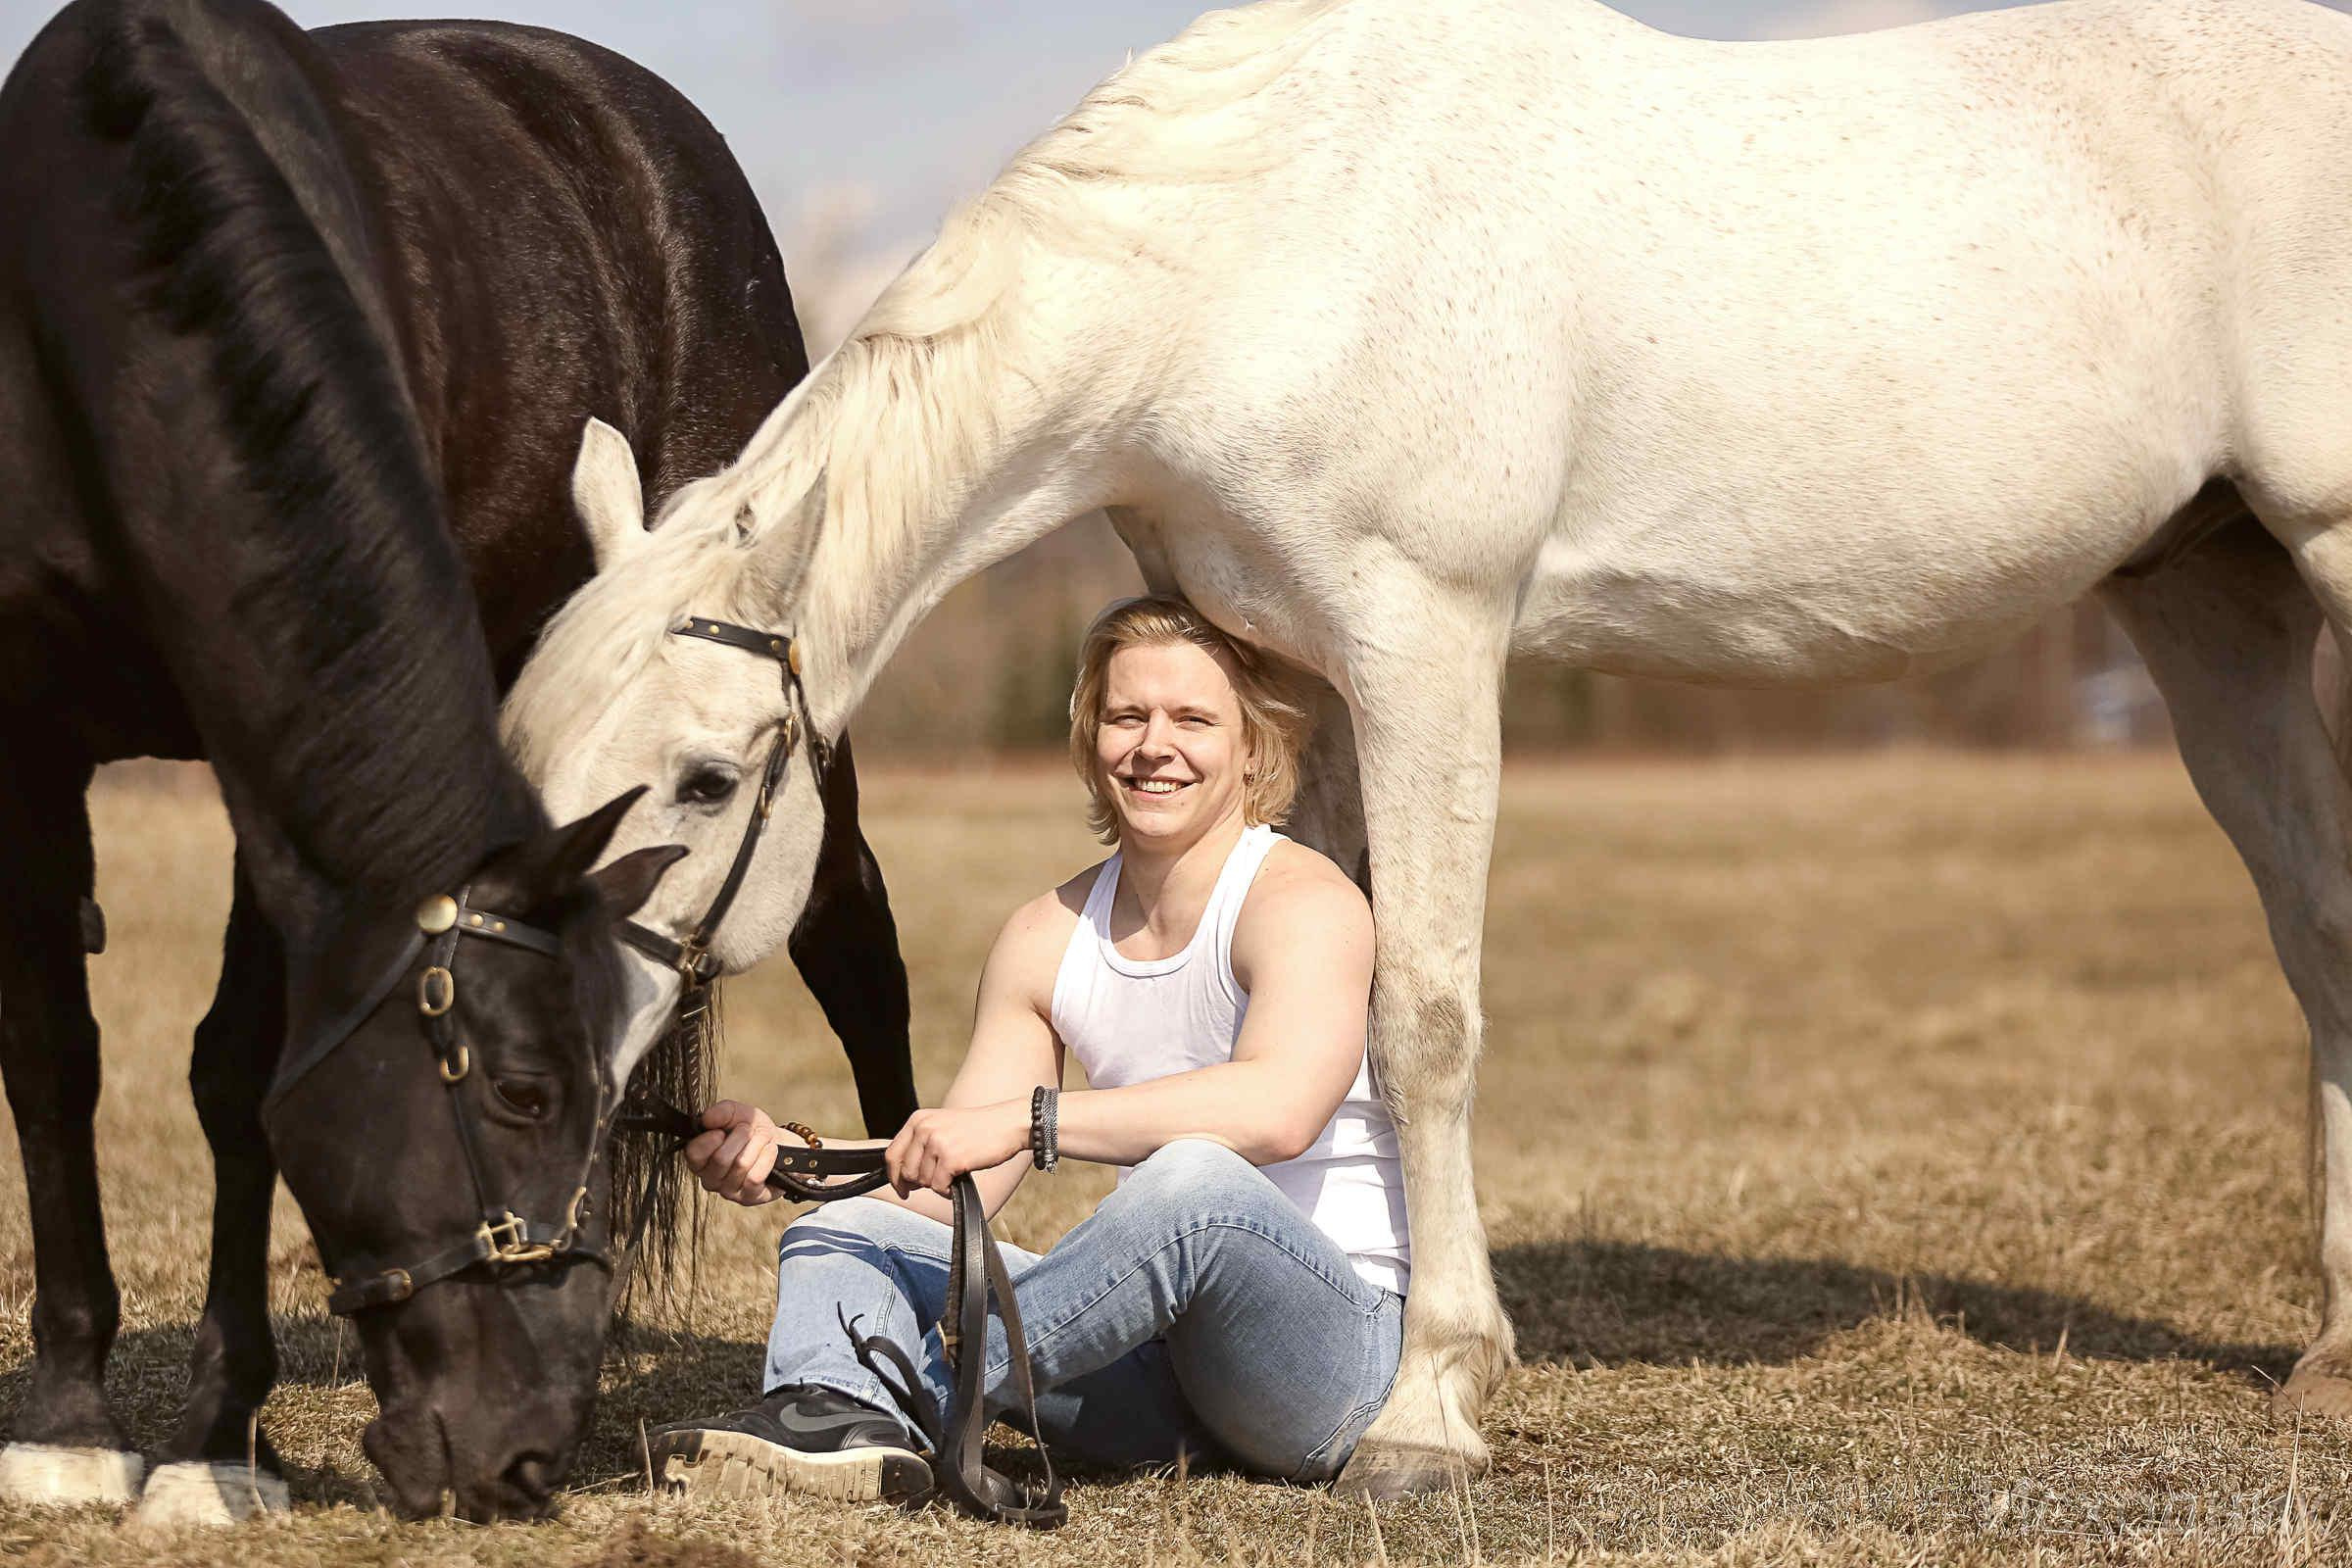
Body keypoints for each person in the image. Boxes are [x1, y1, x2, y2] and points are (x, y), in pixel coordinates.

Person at [647, 596, 1409, 1501]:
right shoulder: (1045, 935)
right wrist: (795, 1163)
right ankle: (835, 1423)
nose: (1153, 745)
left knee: (1192, 1181)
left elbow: (1278, 1113)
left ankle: (900, 1398)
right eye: (1127, 716)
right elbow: (953, 1178)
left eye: (1193, 720)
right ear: (1092, 738)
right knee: (844, 1232)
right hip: (1154, 1371)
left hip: (1324, 1366)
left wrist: (1031, 1121)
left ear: (1254, 746)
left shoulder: (1304, 901)